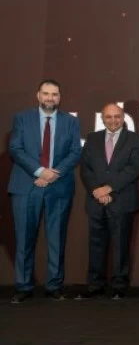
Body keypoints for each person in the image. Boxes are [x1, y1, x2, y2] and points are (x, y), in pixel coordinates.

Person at [8, 79, 82, 304]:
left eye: (55, 94)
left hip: (58, 186)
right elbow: (16, 149)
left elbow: (75, 152)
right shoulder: (22, 118)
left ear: (59, 97)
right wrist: (40, 171)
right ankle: (23, 286)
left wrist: (53, 173)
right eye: (46, 93)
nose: (50, 98)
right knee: (24, 238)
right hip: (25, 186)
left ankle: (54, 286)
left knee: (56, 239)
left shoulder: (71, 121)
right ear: (38, 95)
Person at [77, 103, 139, 300]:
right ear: (102, 119)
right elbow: (86, 169)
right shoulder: (92, 138)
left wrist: (108, 188)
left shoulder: (135, 139)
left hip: (122, 200)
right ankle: (95, 285)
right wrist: (96, 190)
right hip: (96, 199)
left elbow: (133, 169)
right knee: (96, 245)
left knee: (121, 246)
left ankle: (119, 286)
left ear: (123, 118)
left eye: (117, 116)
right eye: (108, 117)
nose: (113, 120)